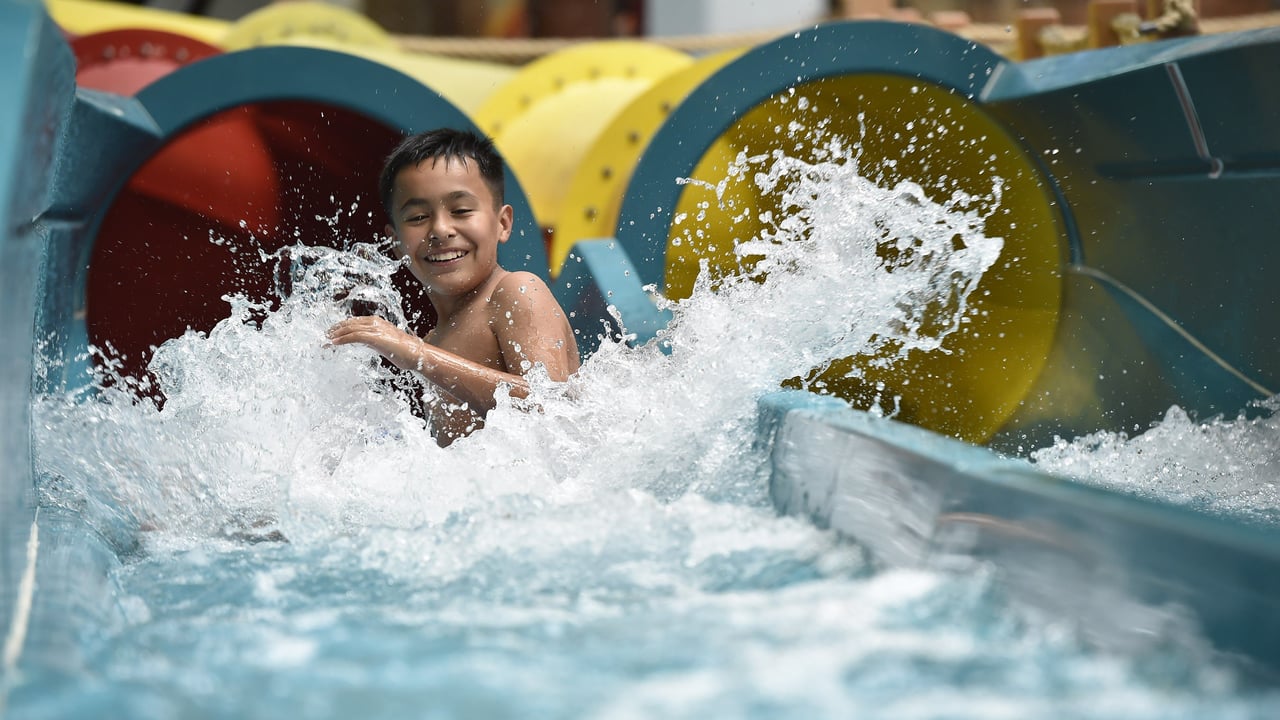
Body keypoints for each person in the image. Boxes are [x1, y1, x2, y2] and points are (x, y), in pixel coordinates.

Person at [327, 128, 580, 446]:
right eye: (418, 217)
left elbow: (551, 409)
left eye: (461, 211)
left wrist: (416, 354)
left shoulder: (516, 290)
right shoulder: (436, 340)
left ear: (502, 224)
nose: (441, 229)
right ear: (394, 243)